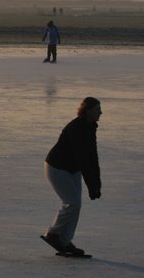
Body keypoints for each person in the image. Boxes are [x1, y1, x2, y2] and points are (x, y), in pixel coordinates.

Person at [41, 97, 102, 256]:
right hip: (57, 168)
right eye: (97, 109)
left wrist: (96, 185)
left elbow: (92, 157)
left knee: (75, 203)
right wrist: (92, 185)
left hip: (73, 169)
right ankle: (54, 234)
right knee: (72, 202)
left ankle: (65, 241)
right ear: (88, 111)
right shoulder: (76, 128)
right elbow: (82, 158)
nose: (101, 112)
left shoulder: (90, 127)